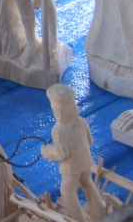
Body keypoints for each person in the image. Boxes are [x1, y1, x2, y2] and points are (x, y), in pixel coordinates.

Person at [41, 84, 104, 222]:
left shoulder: (59, 130)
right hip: (85, 161)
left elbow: (62, 154)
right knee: (87, 182)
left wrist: (47, 152)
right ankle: (100, 212)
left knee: (67, 191)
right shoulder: (82, 121)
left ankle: (78, 219)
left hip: (71, 167)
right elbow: (90, 141)